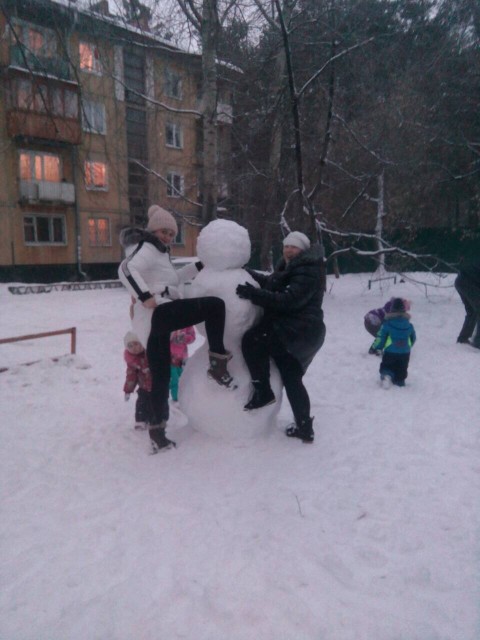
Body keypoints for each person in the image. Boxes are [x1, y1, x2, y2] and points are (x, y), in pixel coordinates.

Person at [119, 204, 235, 453]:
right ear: (153, 230)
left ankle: (157, 434)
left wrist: (200, 266)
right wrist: (145, 295)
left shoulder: (160, 255)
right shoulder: (148, 248)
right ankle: (217, 364)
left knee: (159, 379)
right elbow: (126, 269)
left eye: (171, 234)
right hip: (157, 313)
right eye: (164, 231)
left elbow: (174, 279)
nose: (168, 237)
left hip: (154, 326)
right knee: (215, 306)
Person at [236, 231, 326, 444]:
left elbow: (289, 299)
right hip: (301, 330)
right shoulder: (290, 268)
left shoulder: (308, 270)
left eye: (294, 247)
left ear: (303, 250)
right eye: (286, 246)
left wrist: (254, 295)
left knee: (253, 339)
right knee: (291, 376)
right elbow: (270, 283)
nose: (288, 250)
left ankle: (263, 391)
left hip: (299, 330)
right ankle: (304, 427)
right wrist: (244, 272)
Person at [375, 297, 416, 388]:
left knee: (387, 365)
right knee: (402, 368)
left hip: (390, 351)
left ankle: (386, 376)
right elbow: (413, 338)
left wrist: (378, 347)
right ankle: (400, 381)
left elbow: (381, 337)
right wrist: (408, 346)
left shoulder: (387, 324)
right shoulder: (409, 325)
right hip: (405, 352)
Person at [123, 331, 153, 430]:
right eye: (130, 346)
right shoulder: (132, 361)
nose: (134, 348)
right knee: (141, 403)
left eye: (136, 344)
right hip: (143, 386)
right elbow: (131, 376)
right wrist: (128, 390)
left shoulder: (150, 353)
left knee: (156, 403)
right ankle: (140, 420)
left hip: (156, 385)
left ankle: (156, 419)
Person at [454, 260, 480, 349]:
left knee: (473, 312)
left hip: (461, 281)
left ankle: (463, 338)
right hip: (467, 282)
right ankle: (478, 341)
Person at [169, 326, 196, 402]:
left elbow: (193, 337)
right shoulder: (167, 320)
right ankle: (176, 398)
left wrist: (184, 337)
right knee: (174, 379)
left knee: (184, 378)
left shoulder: (186, 321)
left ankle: (185, 398)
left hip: (182, 358)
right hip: (170, 358)